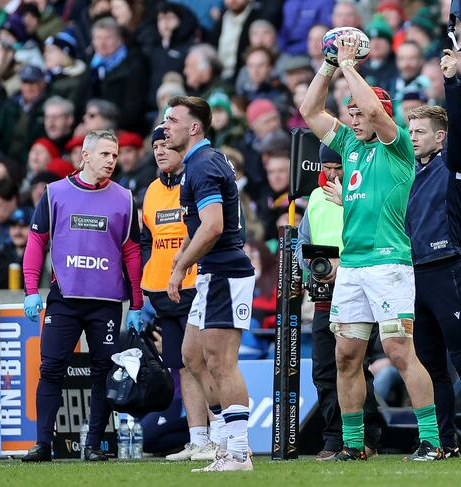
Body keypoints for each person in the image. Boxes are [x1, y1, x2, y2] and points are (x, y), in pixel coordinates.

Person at [299, 30, 441, 461]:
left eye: (360, 113)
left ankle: (431, 439)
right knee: (345, 355)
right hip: (353, 266)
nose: (354, 119)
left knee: (399, 350)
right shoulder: (347, 145)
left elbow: (378, 114)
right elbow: (309, 110)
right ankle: (354, 445)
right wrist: (328, 65)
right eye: (351, 113)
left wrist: (348, 66)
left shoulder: (396, 146)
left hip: (390, 264)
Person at [20, 129, 143, 462]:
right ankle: (43, 445)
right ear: (85, 156)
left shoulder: (124, 198)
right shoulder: (55, 193)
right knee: (51, 369)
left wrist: (137, 302)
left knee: (103, 371)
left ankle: (92, 446)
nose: (111, 161)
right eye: (105, 154)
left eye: (115, 156)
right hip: (65, 297)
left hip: (105, 302)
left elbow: (132, 251)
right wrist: (32, 290)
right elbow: (36, 242)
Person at [406, 51, 461, 458]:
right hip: (412, 276)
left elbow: (459, 126)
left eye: (420, 130)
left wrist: (452, 83)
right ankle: (444, 442)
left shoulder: (455, 163)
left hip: (445, 272)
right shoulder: (409, 172)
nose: (413, 136)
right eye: (410, 129)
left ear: (441, 136)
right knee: (432, 369)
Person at [164, 95, 255, 471]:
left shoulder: (201, 165)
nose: (165, 126)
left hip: (225, 271)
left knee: (221, 361)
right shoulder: (200, 163)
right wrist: (184, 253)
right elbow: (200, 224)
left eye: (172, 120)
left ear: (194, 127)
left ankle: (238, 452)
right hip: (213, 273)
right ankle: (222, 442)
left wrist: (180, 265)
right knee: (193, 356)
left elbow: (214, 225)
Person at [295, 144, 383, 460]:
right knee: (323, 370)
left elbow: (375, 237)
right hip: (323, 295)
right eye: (327, 167)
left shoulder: (362, 195)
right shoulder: (316, 198)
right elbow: (302, 243)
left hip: (357, 290)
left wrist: (341, 267)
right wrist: (310, 266)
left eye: (338, 167)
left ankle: (365, 435)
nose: (332, 173)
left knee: (356, 366)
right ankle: (334, 438)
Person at [141, 124, 216, 462]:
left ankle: (224, 435)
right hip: (161, 291)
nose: (160, 151)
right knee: (182, 366)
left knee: (206, 363)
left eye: (166, 145)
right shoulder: (151, 191)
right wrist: (147, 279)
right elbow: (146, 240)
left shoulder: (195, 182)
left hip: (194, 285)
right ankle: (198, 440)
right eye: (156, 147)